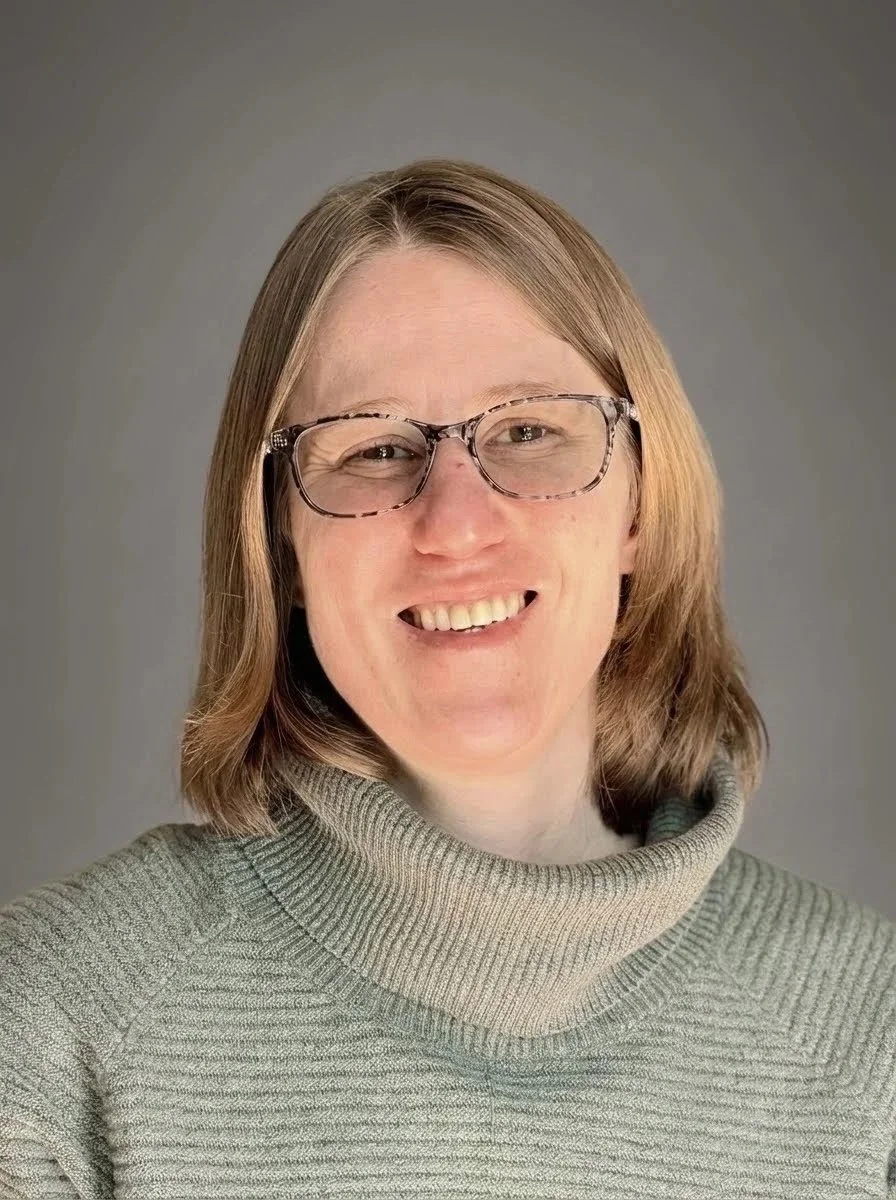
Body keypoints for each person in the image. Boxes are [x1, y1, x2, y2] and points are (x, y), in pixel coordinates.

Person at [1, 159, 894, 1199]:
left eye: (527, 432)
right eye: (374, 448)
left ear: (641, 510)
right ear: (277, 546)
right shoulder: (54, 1029)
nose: (456, 524)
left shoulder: (866, 1046)